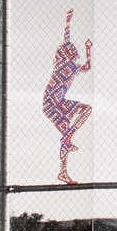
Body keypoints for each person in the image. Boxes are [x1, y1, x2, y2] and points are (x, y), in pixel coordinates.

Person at [43, 9, 92, 184]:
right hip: (51, 103)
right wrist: (67, 21)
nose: (72, 48)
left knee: (86, 110)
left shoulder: (73, 67)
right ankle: (68, 137)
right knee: (67, 132)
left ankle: (62, 172)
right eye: (70, 48)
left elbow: (88, 66)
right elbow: (66, 38)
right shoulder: (61, 62)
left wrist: (88, 50)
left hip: (59, 103)